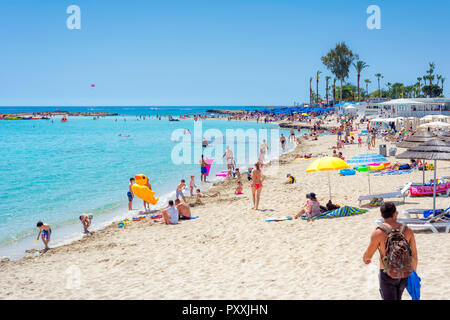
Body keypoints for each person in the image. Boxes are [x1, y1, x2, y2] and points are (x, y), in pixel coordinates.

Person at [363, 202, 418, 300]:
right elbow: (414, 256)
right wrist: (413, 273)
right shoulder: (408, 230)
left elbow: (368, 255)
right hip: (404, 273)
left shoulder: (378, 233)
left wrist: (366, 259)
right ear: (395, 214)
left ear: (382, 215)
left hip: (386, 273)